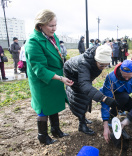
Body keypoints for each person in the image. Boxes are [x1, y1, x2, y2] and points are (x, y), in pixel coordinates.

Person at [25, 9, 74, 145]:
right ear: (40, 25)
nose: (54, 28)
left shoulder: (52, 36)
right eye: (50, 26)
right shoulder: (33, 42)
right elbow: (39, 69)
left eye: (55, 25)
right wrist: (60, 78)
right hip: (43, 81)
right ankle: (43, 136)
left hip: (56, 77)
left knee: (54, 104)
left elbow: (58, 55)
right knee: (44, 108)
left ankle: (56, 130)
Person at [64, 45, 118, 135]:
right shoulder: (84, 63)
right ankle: (82, 124)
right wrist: (104, 98)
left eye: (106, 65)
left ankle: (83, 118)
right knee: (80, 96)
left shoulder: (97, 61)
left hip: (83, 75)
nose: (103, 67)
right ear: (96, 60)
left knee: (88, 93)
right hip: (72, 74)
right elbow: (84, 85)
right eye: (101, 65)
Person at [100, 60, 132, 143]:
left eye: (129, 77)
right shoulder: (111, 77)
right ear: (120, 70)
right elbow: (105, 100)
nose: (127, 79)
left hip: (125, 97)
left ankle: (121, 110)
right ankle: (111, 116)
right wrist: (105, 124)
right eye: (124, 76)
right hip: (114, 98)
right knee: (124, 97)